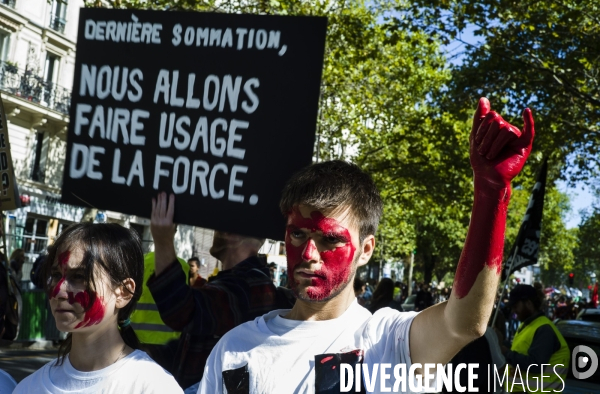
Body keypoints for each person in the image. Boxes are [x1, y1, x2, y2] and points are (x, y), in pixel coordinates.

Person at [198, 98, 535, 392]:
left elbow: (463, 324)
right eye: (298, 234)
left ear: (366, 249)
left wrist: (491, 192)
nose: (309, 254)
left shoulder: (387, 343)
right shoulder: (235, 349)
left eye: (330, 239)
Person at [13, 223, 183, 393]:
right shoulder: (28, 388)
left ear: (123, 292)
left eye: (79, 277)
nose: (59, 291)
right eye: (56, 275)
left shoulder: (154, 386)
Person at [147, 193, 294, 389]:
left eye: (221, 226)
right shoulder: (246, 284)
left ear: (231, 235)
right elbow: (196, 340)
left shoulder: (247, 287)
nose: (216, 231)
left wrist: (163, 239)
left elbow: (180, 310)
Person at [502, 284, 570, 392]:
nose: (513, 311)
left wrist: (507, 353)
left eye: (515, 306)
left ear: (528, 304)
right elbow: (521, 352)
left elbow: (535, 365)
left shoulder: (544, 329)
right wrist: (503, 344)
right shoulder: (527, 325)